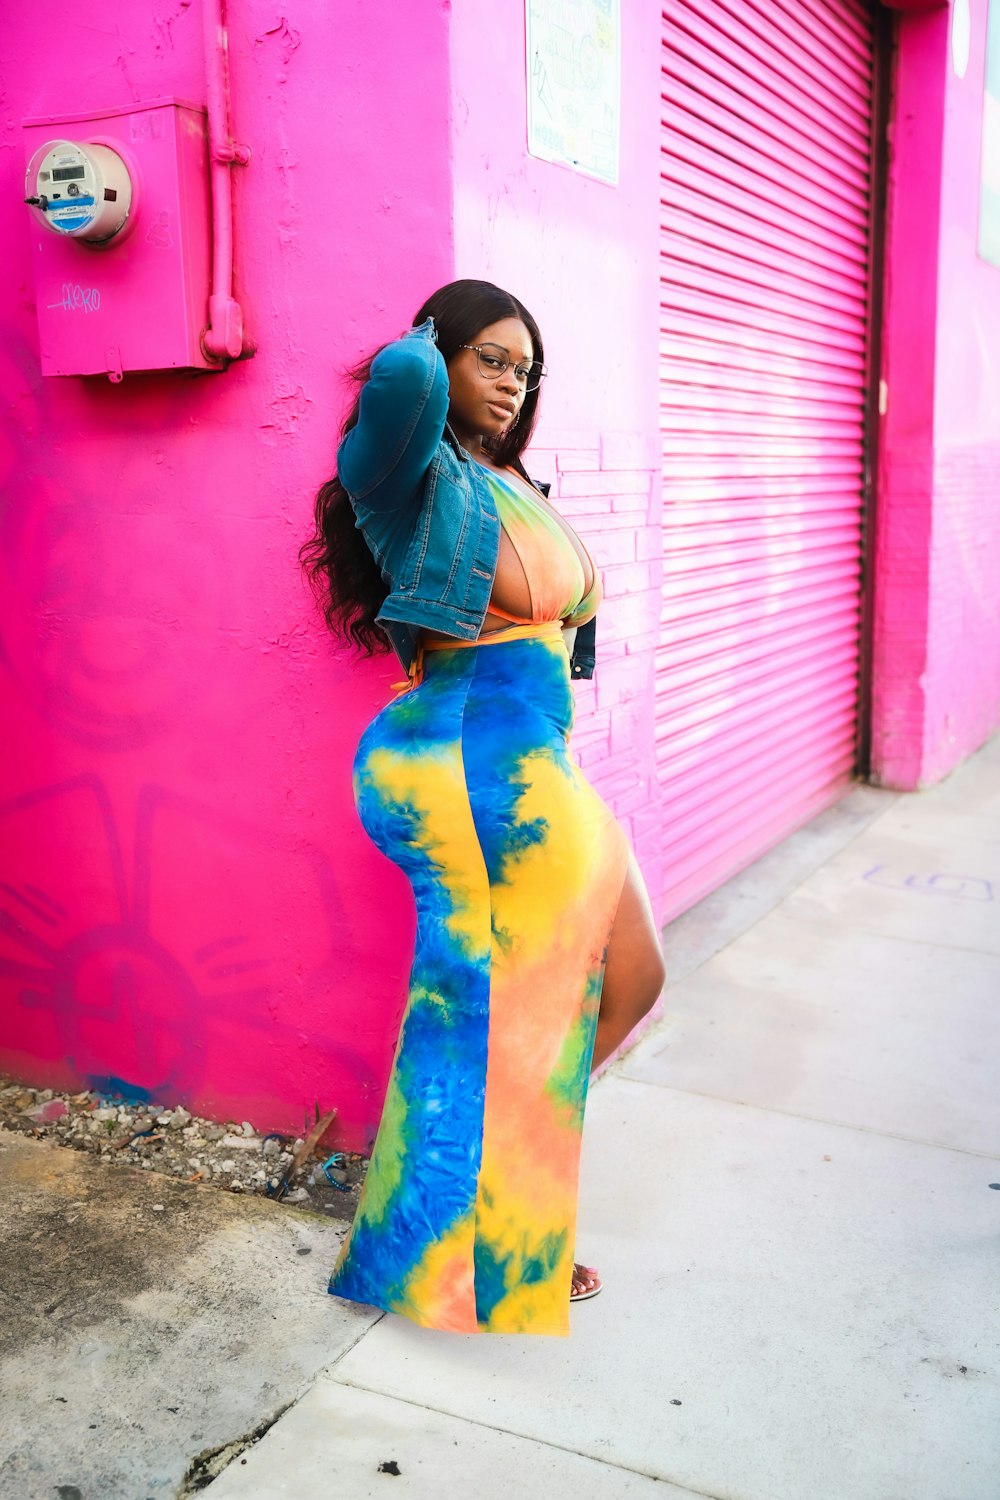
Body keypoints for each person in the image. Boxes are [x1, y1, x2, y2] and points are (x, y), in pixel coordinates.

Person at [302, 279, 665, 1336]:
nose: (512, 381)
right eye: (490, 359)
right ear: (443, 356)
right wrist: (427, 336)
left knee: (628, 979)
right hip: (463, 758)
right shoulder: (405, 470)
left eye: (525, 367)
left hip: (522, 756)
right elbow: (403, 378)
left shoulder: (509, 482)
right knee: (479, 1011)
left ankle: (476, 1211)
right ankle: (482, 1250)